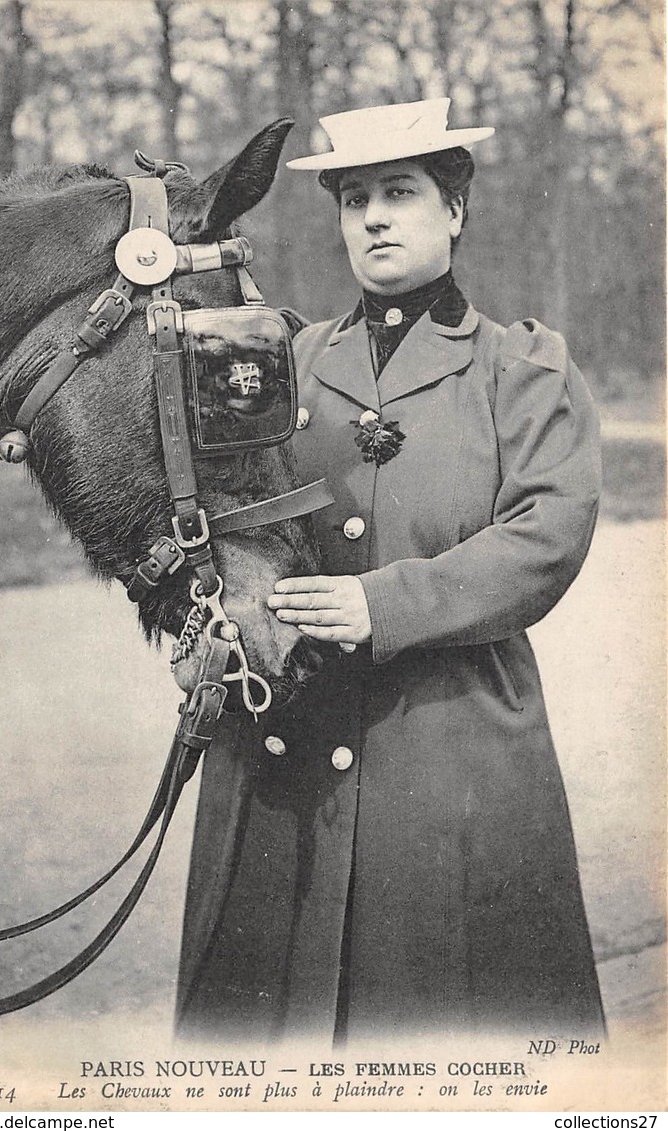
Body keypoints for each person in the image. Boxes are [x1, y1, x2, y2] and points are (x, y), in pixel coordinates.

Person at [175, 98, 605, 1044]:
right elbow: (212, 513)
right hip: (284, 747)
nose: (372, 217)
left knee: (447, 1021)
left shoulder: (521, 366)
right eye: (353, 197)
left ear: (454, 209)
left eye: (399, 193)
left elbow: (546, 533)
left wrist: (381, 601)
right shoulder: (280, 360)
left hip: (449, 747)